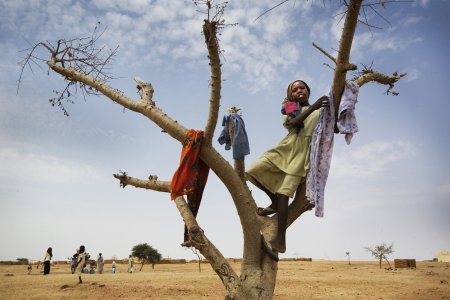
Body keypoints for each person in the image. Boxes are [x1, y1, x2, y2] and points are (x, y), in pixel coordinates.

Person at [246, 79, 329, 254]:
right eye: (295, 89)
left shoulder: (322, 110)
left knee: (285, 193)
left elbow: (332, 127)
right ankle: (274, 202)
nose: (299, 90)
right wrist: (313, 107)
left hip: (302, 154)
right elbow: (294, 123)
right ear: (290, 95)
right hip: (286, 147)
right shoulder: (291, 107)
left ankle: (280, 241)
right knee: (252, 171)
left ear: (308, 90)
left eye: (302, 87)